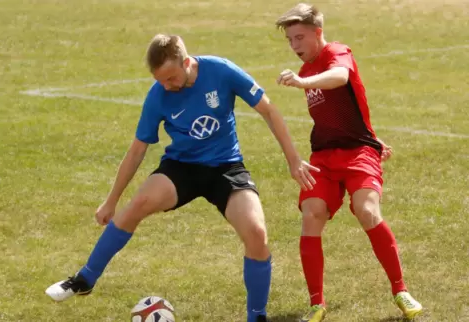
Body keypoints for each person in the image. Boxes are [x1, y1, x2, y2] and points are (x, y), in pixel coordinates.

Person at [45, 33, 318, 322]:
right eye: (160, 80)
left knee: (257, 233)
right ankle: (84, 279)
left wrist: (293, 160)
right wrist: (110, 201)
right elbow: (137, 150)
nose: (167, 85)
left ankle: (257, 316)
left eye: (171, 78)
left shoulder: (221, 71)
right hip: (182, 167)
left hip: (226, 167)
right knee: (139, 202)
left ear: (187, 62)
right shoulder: (158, 95)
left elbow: (269, 110)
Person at [274, 3, 423, 321]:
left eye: (299, 37)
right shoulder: (305, 71)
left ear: (318, 32)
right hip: (324, 157)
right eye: (290, 40)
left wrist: (370, 137)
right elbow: (340, 113)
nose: (295, 46)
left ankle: (401, 291)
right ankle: (317, 304)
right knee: (311, 214)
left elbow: (341, 78)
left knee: (367, 210)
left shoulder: (337, 53)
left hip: (358, 152)